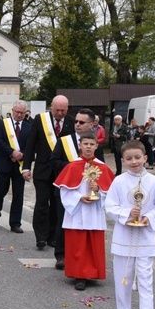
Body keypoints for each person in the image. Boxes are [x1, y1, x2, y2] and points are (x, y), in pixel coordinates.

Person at [105, 140, 155, 309]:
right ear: (123, 160)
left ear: (145, 158)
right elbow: (110, 206)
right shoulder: (119, 181)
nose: (134, 162)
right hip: (124, 236)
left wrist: (148, 217)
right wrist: (127, 213)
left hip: (145, 237)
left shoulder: (154, 183)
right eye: (129, 158)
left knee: (145, 280)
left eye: (138, 157)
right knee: (123, 279)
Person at [54, 131, 114, 290]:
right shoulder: (72, 166)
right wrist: (79, 197)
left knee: (93, 242)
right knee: (78, 243)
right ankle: (79, 275)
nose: (88, 147)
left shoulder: (102, 167)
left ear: (96, 146)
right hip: (78, 211)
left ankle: (93, 273)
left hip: (94, 210)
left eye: (91, 144)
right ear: (80, 145)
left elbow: (111, 193)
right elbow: (64, 191)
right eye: (85, 144)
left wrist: (99, 190)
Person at [22, 94, 73, 249]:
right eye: (57, 110)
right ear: (51, 107)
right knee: (42, 204)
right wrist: (26, 167)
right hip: (42, 171)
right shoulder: (40, 119)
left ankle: (53, 236)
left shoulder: (71, 122)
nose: (59, 113)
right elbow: (30, 144)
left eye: (62, 110)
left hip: (62, 172)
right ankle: (41, 237)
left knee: (57, 206)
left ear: (67, 109)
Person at [49, 108, 96, 270]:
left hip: (86, 191)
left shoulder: (94, 143)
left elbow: (100, 166)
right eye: (76, 121)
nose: (77, 124)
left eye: (82, 122)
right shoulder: (64, 141)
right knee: (63, 222)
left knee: (83, 225)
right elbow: (53, 161)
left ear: (91, 124)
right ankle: (61, 255)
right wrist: (73, 167)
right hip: (66, 190)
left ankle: (80, 255)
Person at [0, 100, 31, 232]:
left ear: (25, 113)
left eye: (22, 113)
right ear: (12, 111)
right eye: (17, 112)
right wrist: (11, 153)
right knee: (0, 192)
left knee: (18, 195)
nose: (19, 115)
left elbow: (31, 147)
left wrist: (22, 155)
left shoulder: (28, 127)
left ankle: (15, 223)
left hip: (19, 166)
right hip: (4, 163)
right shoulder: (2, 124)